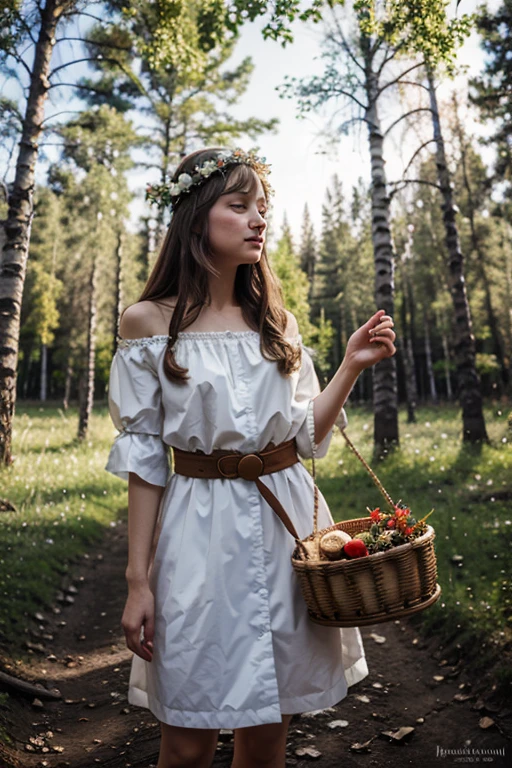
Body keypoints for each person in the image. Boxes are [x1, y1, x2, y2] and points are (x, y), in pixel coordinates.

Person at [104, 146, 396, 768]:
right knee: (187, 738)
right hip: (199, 532)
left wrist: (349, 366)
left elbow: (307, 440)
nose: (259, 219)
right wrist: (137, 581)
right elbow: (145, 459)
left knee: (269, 732)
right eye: (239, 206)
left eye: (262, 207)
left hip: (287, 524)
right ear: (195, 217)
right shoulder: (147, 323)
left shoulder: (276, 323)